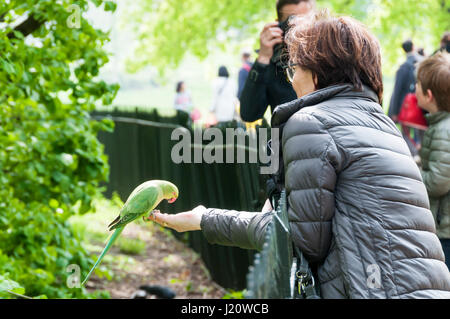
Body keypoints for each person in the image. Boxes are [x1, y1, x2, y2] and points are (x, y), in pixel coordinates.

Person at [148, 11, 450, 298]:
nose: (291, 80)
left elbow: (300, 241)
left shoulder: (311, 122)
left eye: (294, 68)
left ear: (317, 72)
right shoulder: (382, 123)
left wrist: (205, 219)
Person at [239, 0, 315, 122]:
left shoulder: (333, 55)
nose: (301, 31)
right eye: (293, 23)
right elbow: (248, 114)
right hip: (286, 138)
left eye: (307, 22)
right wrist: (263, 58)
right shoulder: (272, 62)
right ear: (278, 25)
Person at [416, 52, 450, 269]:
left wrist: (412, 174)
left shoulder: (444, 131)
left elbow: (438, 181)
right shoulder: (441, 125)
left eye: (417, 84)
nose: (414, 89)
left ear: (428, 95)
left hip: (446, 227)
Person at [388, 39, 418, 122]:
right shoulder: (420, 63)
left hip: (405, 106)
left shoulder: (403, 68)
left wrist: (394, 112)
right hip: (418, 106)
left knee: (405, 133)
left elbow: (397, 90)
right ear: (413, 47)